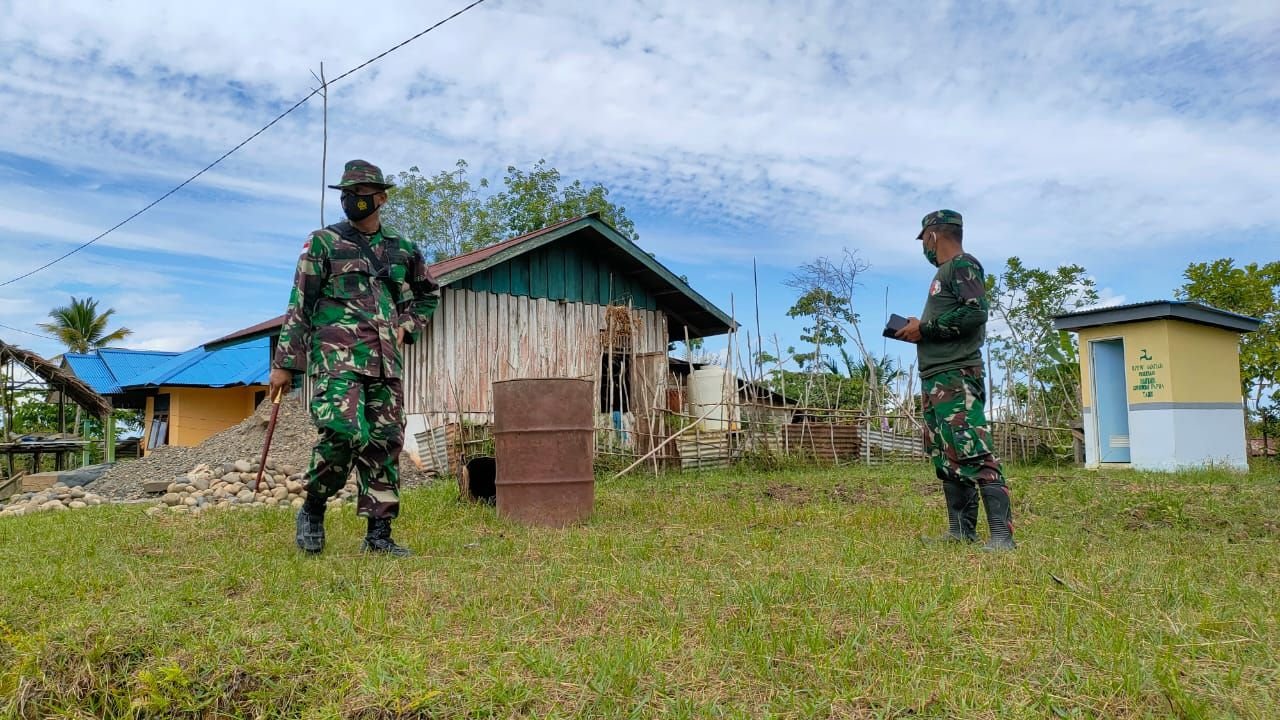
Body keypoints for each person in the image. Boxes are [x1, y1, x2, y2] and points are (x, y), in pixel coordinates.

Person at [268, 159, 439, 556]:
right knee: (342, 433)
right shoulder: (323, 243)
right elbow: (300, 304)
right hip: (337, 358)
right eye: (346, 194)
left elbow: (428, 294)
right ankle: (312, 507)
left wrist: (407, 325)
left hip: (385, 362)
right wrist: (283, 364)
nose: (351, 201)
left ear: (379, 198)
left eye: (359, 194)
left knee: (385, 441)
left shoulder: (403, 249)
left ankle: (378, 537)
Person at [895, 209, 1015, 551]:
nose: (925, 249)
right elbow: (954, 315)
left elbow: (976, 311)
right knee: (946, 455)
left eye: (924, 241)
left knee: (972, 449)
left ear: (932, 236)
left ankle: (1002, 537)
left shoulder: (963, 265)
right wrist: (920, 328)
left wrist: (927, 328)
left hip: (956, 374)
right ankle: (961, 531)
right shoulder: (946, 273)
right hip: (936, 376)